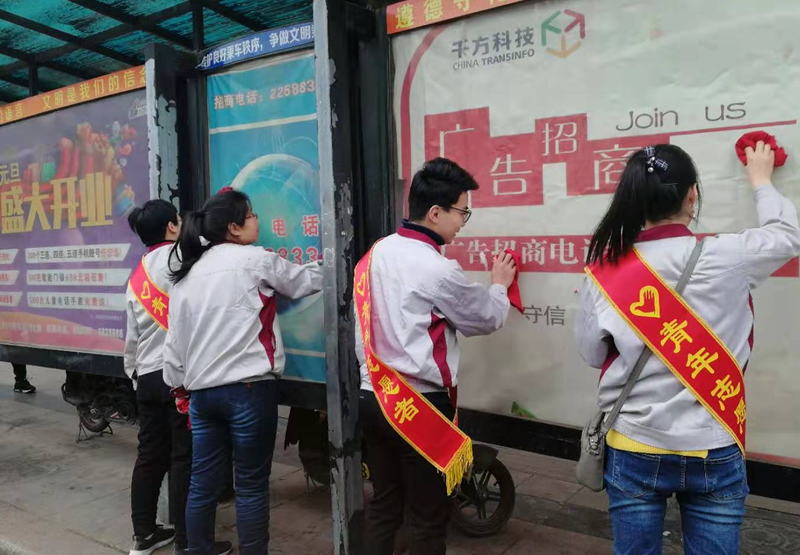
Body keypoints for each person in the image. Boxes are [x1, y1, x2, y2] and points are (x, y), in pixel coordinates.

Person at [574, 142, 800, 555]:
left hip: (633, 444)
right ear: (692, 195)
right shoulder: (729, 255)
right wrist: (761, 180)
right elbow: (786, 237)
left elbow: (592, 354)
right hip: (713, 442)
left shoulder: (606, 270)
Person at [354, 157, 517, 555]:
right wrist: (499, 285)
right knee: (427, 518)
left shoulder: (375, 254)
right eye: (462, 211)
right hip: (420, 406)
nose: (463, 222)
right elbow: (484, 318)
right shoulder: (436, 268)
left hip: (374, 396)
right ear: (435, 212)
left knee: (384, 507)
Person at [163, 189, 322, 555]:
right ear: (233, 228)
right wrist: (336, 261)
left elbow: (174, 347)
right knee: (250, 485)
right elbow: (304, 282)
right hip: (249, 391)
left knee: (202, 483)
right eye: (250, 215)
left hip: (202, 395)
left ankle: (198, 550)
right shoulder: (256, 260)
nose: (257, 220)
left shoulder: (187, 274)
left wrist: (179, 388)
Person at [124, 200, 231, 555]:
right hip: (179, 376)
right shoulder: (184, 257)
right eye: (179, 221)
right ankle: (188, 542)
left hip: (147, 375)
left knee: (149, 456)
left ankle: (144, 535)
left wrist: (135, 375)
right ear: (172, 227)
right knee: (184, 458)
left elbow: (132, 338)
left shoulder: (137, 275)